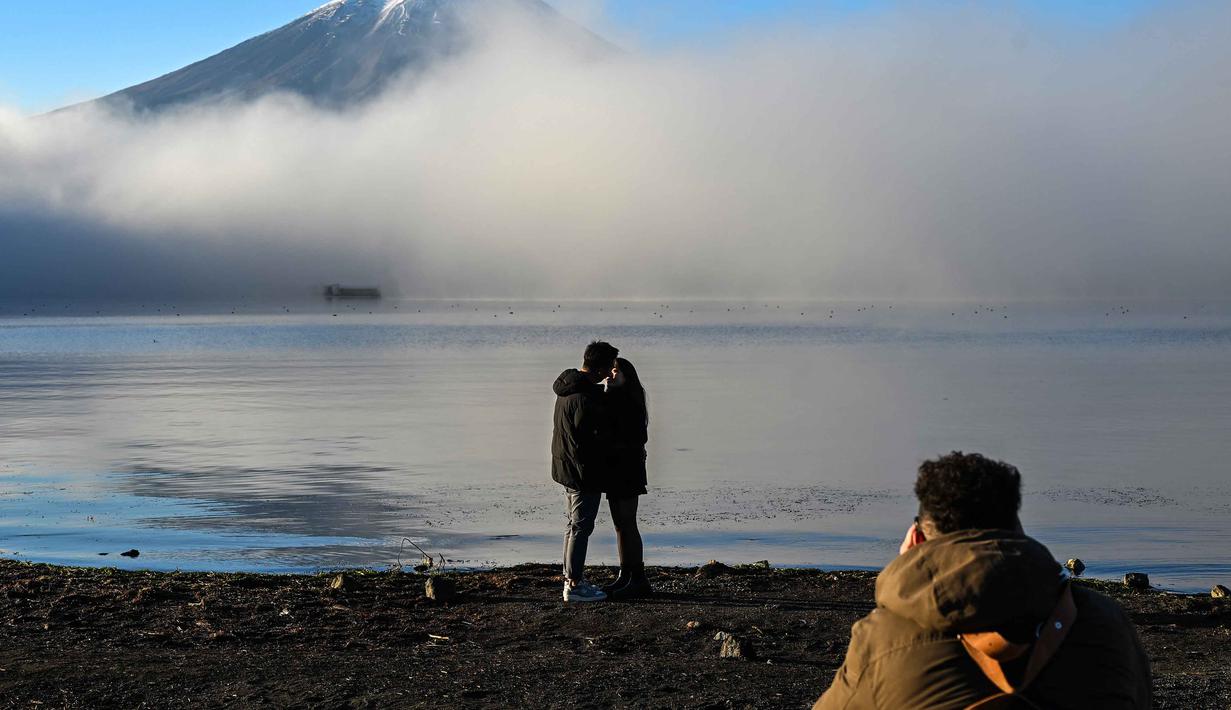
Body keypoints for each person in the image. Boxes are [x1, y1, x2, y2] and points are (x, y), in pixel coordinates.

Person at [815, 451, 1151, 709]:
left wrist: (910, 586)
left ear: (916, 540)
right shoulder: (1106, 622)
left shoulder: (883, 637)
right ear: (1017, 531)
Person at [551, 341, 619, 603]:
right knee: (581, 526)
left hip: (566, 466)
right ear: (601, 368)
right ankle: (575, 585)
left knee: (573, 525)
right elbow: (592, 438)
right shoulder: (585, 397)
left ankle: (571, 578)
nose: (612, 372)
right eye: (610, 367)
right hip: (582, 471)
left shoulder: (569, 388)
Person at [601, 357, 652, 599]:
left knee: (628, 523)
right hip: (616, 469)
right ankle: (625, 574)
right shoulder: (613, 399)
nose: (610, 375)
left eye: (616, 371)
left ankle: (638, 578)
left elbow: (636, 438)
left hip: (628, 470)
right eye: (610, 371)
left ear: (626, 376)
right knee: (620, 525)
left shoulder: (630, 402)